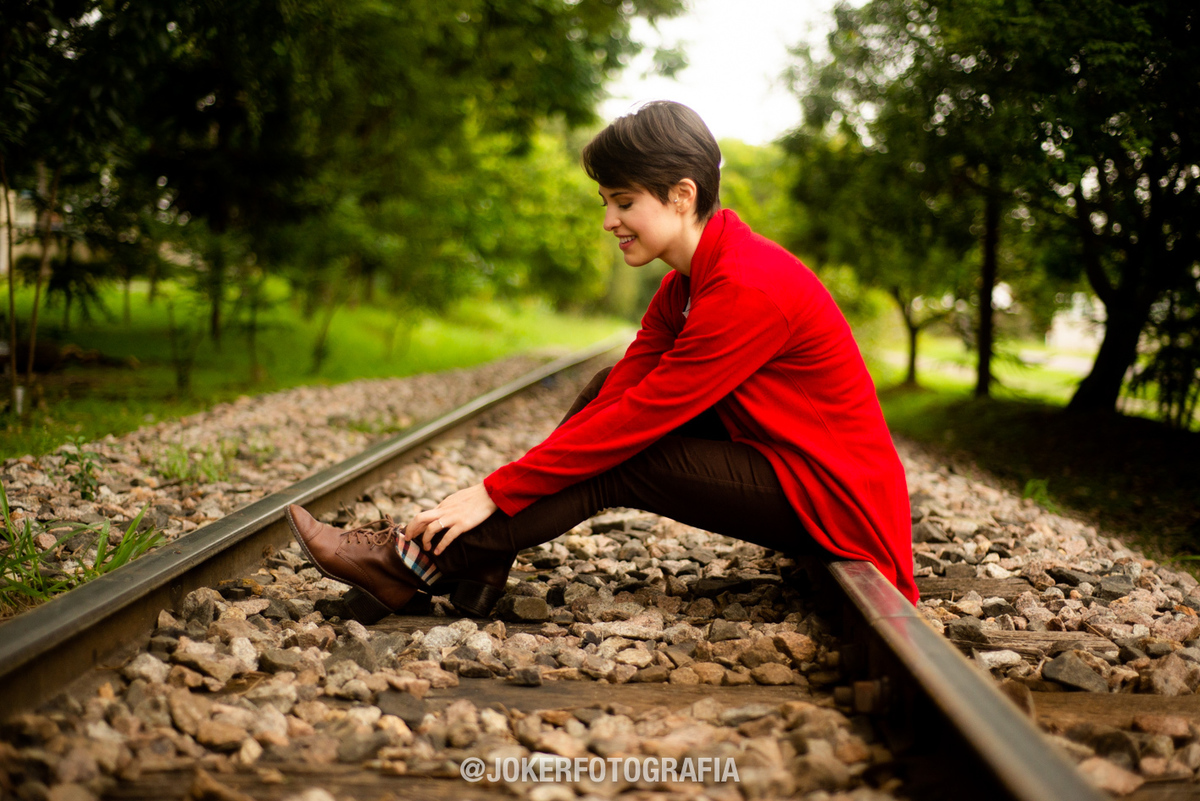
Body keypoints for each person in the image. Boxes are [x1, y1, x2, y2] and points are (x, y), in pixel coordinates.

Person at [286, 101, 916, 625]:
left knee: (629, 454)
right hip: (784, 465)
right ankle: (469, 563)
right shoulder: (687, 286)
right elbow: (622, 395)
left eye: (623, 202)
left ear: (681, 196)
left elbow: (640, 421)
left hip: (834, 497)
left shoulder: (748, 289)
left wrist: (492, 490)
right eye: (605, 202)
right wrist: (504, 490)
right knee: (604, 388)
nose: (609, 220)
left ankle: (410, 563)